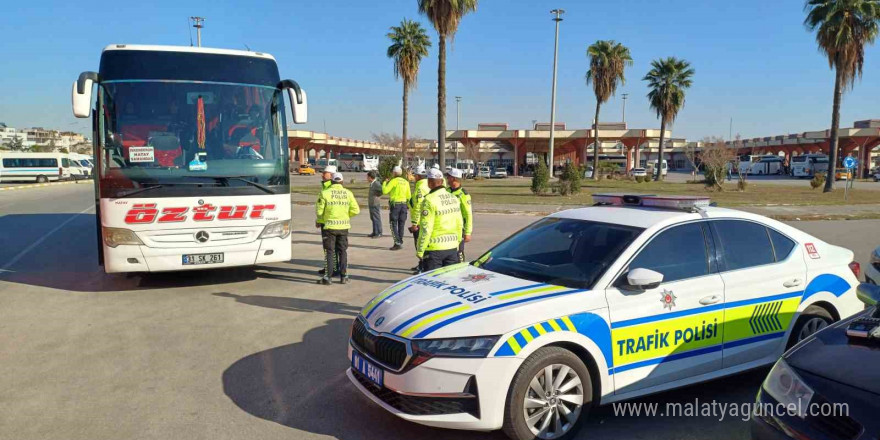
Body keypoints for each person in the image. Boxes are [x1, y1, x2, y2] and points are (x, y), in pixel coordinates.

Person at [315, 172, 360, 285]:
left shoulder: (325, 193)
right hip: (344, 226)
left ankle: (328, 278)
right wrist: (345, 215)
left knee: (329, 252)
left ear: (332, 181)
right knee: (343, 251)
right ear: (342, 182)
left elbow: (319, 211)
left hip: (329, 227)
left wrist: (320, 221)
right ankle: (344, 276)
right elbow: (356, 210)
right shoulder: (348, 193)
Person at [416, 168, 464, 271]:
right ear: (442, 181)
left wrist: (420, 250)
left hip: (434, 249)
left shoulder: (429, 200)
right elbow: (459, 223)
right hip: (452, 247)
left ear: (429, 183)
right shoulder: (454, 198)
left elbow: (426, 228)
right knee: (450, 281)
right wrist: (458, 242)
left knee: (433, 281)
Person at [446, 168, 472, 263]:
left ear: (454, 178)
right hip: (446, 227)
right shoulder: (446, 191)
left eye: (448, 176)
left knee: (458, 253)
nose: (447, 178)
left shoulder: (463, 195)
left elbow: (468, 214)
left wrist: (468, 232)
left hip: (458, 229)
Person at [317, 165, 339, 276]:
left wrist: (320, 219)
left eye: (324, 172)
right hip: (330, 220)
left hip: (328, 221)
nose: (322, 174)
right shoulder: (326, 186)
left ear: (330, 175)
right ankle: (330, 266)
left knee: (330, 247)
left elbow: (323, 207)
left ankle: (332, 268)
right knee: (331, 247)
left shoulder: (329, 187)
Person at [382, 166, 411, 250]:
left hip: (395, 205)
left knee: (393, 223)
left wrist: (384, 183)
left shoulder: (393, 181)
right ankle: (400, 241)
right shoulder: (406, 182)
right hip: (404, 205)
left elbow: (385, 191)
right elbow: (409, 195)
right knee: (401, 224)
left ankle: (397, 243)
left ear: (394, 173)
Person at [408, 166, 430, 272]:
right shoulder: (427, 184)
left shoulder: (421, 187)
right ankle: (422, 264)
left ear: (418, 176)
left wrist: (414, 223)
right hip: (426, 219)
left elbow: (418, 206)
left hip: (420, 221)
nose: (413, 177)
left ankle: (423, 266)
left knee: (419, 245)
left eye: (414, 175)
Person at [366, 171, 383, 238]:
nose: (367, 178)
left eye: (367, 177)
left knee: (376, 218)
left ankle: (378, 232)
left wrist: (377, 195)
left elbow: (381, 191)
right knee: (373, 218)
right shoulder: (372, 183)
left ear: (370, 177)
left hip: (375, 203)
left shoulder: (376, 183)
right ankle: (374, 232)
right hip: (371, 203)